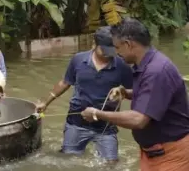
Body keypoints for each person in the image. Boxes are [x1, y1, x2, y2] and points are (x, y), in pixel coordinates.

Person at [81, 18, 189, 171]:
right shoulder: (145, 64)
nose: (117, 53)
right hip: (153, 153)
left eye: (118, 47)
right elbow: (153, 96)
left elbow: (139, 120)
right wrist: (126, 93)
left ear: (129, 44)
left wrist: (97, 114)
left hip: (171, 155)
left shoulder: (156, 71)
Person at [36, 26, 133, 162]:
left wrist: (123, 92)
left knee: (111, 164)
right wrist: (46, 102)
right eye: (104, 50)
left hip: (106, 126)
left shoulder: (122, 65)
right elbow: (65, 82)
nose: (109, 54)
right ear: (94, 45)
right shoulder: (78, 60)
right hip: (77, 123)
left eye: (112, 50)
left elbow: (137, 92)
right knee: (69, 161)